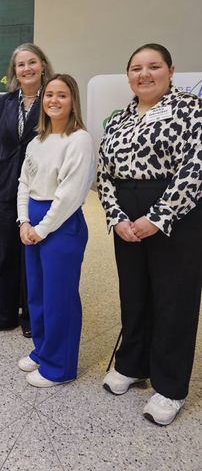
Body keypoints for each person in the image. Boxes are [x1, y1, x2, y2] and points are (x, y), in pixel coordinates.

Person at [97, 43, 202, 426]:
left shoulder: (192, 110)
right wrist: (117, 215)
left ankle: (170, 386)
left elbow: (195, 170)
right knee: (135, 294)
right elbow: (104, 173)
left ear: (171, 70)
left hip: (177, 214)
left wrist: (157, 217)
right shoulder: (119, 118)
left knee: (174, 300)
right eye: (136, 68)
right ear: (128, 75)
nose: (144, 74)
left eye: (153, 66)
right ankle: (132, 363)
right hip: (125, 214)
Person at [16, 74, 95, 387]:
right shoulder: (37, 141)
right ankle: (43, 349)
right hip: (33, 219)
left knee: (59, 296)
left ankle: (59, 367)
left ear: (73, 100)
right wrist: (23, 221)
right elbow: (24, 182)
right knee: (37, 293)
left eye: (62, 95)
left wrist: (42, 228)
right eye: (49, 95)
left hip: (60, 223)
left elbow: (70, 194)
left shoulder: (80, 140)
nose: (54, 101)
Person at [0, 44, 55, 337]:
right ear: (14, 71)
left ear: (43, 65)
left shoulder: (52, 98)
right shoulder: (4, 102)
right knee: (5, 253)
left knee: (32, 254)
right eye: (20, 64)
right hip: (6, 187)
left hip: (39, 189)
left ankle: (31, 318)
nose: (26, 69)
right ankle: (1, 315)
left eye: (32, 62)